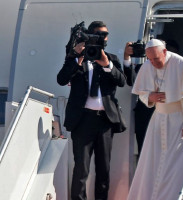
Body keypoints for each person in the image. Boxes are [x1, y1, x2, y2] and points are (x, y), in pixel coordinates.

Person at [127, 39, 183, 200]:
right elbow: (141, 92)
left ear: (164, 52)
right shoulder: (148, 65)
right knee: (153, 163)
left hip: (181, 120)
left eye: (156, 59)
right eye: (149, 59)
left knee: (180, 163)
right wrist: (151, 96)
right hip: (159, 120)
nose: (153, 63)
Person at [57, 21, 127, 200]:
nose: (102, 38)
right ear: (89, 36)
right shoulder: (76, 57)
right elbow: (62, 79)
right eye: (98, 34)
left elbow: (121, 81)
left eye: (105, 35)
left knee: (104, 168)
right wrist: (77, 57)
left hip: (105, 121)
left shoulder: (111, 59)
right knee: (81, 168)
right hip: (83, 120)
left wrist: (106, 64)